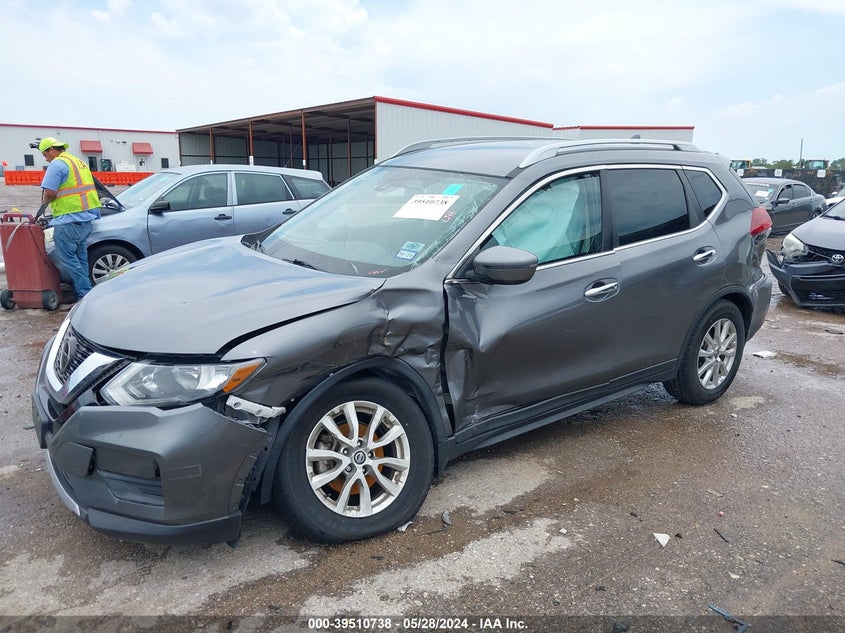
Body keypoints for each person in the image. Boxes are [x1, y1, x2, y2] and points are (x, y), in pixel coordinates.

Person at [39, 137, 101, 300]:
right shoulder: (78, 162)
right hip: (85, 218)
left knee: (69, 259)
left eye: (45, 154)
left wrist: (44, 202)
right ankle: (87, 290)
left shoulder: (57, 164)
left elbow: (50, 193)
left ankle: (84, 293)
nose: (46, 158)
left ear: (52, 149)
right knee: (81, 257)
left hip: (68, 220)